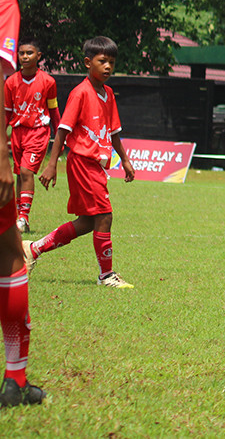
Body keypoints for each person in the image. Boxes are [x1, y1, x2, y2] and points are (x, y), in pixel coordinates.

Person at [24, 36, 136, 288]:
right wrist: (52, 164)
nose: (108, 66)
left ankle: (33, 248)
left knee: (88, 221)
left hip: (96, 165)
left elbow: (114, 132)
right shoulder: (80, 93)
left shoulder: (108, 94)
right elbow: (62, 130)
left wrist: (125, 160)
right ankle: (106, 275)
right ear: (88, 62)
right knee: (105, 215)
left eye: (112, 62)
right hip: (82, 162)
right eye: (102, 61)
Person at [0, 0, 45, 406]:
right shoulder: (3, 2)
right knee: (11, 256)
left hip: (33, 135)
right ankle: (14, 378)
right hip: (7, 138)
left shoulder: (47, 83)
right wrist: (2, 154)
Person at [5, 40, 61, 233]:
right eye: (21, 53)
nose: (25, 56)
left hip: (38, 132)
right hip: (18, 132)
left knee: (26, 171)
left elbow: (53, 111)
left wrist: (60, 137)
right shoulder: (11, 82)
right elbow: (6, 113)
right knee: (19, 174)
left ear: (38, 56)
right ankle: (19, 218)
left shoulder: (48, 81)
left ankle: (23, 217)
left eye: (29, 53)